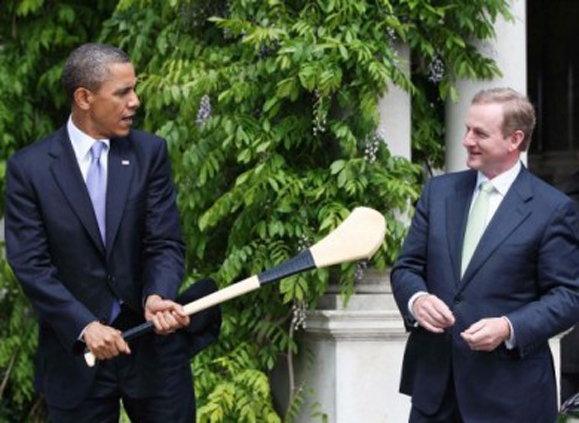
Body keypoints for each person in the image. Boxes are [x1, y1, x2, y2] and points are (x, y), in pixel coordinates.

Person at [5, 43, 219, 422]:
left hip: (153, 348)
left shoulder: (150, 152)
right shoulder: (30, 169)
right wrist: (83, 325)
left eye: (134, 89)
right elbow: (31, 265)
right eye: (123, 92)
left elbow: (164, 241)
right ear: (84, 98)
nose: (135, 101)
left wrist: (158, 294)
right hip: (76, 356)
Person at [390, 87, 579, 423]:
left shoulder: (553, 208)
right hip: (434, 395)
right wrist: (416, 300)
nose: (466, 140)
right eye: (467, 129)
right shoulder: (438, 192)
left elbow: (568, 297)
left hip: (511, 400)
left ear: (514, 139)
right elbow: (406, 268)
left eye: (480, 133)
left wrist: (509, 327)